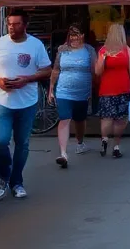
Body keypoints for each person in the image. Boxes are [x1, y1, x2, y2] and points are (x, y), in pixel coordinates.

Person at [0, 8, 51, 200]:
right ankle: (4, 177)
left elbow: (47, 70)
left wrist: (27, 79)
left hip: (27, 102)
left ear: (25, 25)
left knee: (22, 143)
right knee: (0, 141)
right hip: (2, 101)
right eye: (9, 24)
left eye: (16, 24)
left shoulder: (35, 45)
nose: (12, 27)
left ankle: (17, 181)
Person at [48, 24, 96, 167]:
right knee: (65, 119)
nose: (74, 38)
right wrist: (51, 88)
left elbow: (94, 71)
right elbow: (56, 70)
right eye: (71, 35)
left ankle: (80, 143)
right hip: (63, 91)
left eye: (77, 35)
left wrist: (93, 91)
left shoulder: (89, 50)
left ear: (82, 36)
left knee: (80, 120)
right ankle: (63, 153)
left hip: (82, 92)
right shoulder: (62, 50)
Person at [95, 23, 130, 159]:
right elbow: (97, 71)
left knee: (120, 119)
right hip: (108, 89)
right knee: (109, 118)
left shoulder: (126, 50)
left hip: (123, 88)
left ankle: (115, 144)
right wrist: (104, 58)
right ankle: (106, 139)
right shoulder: (103, 50)